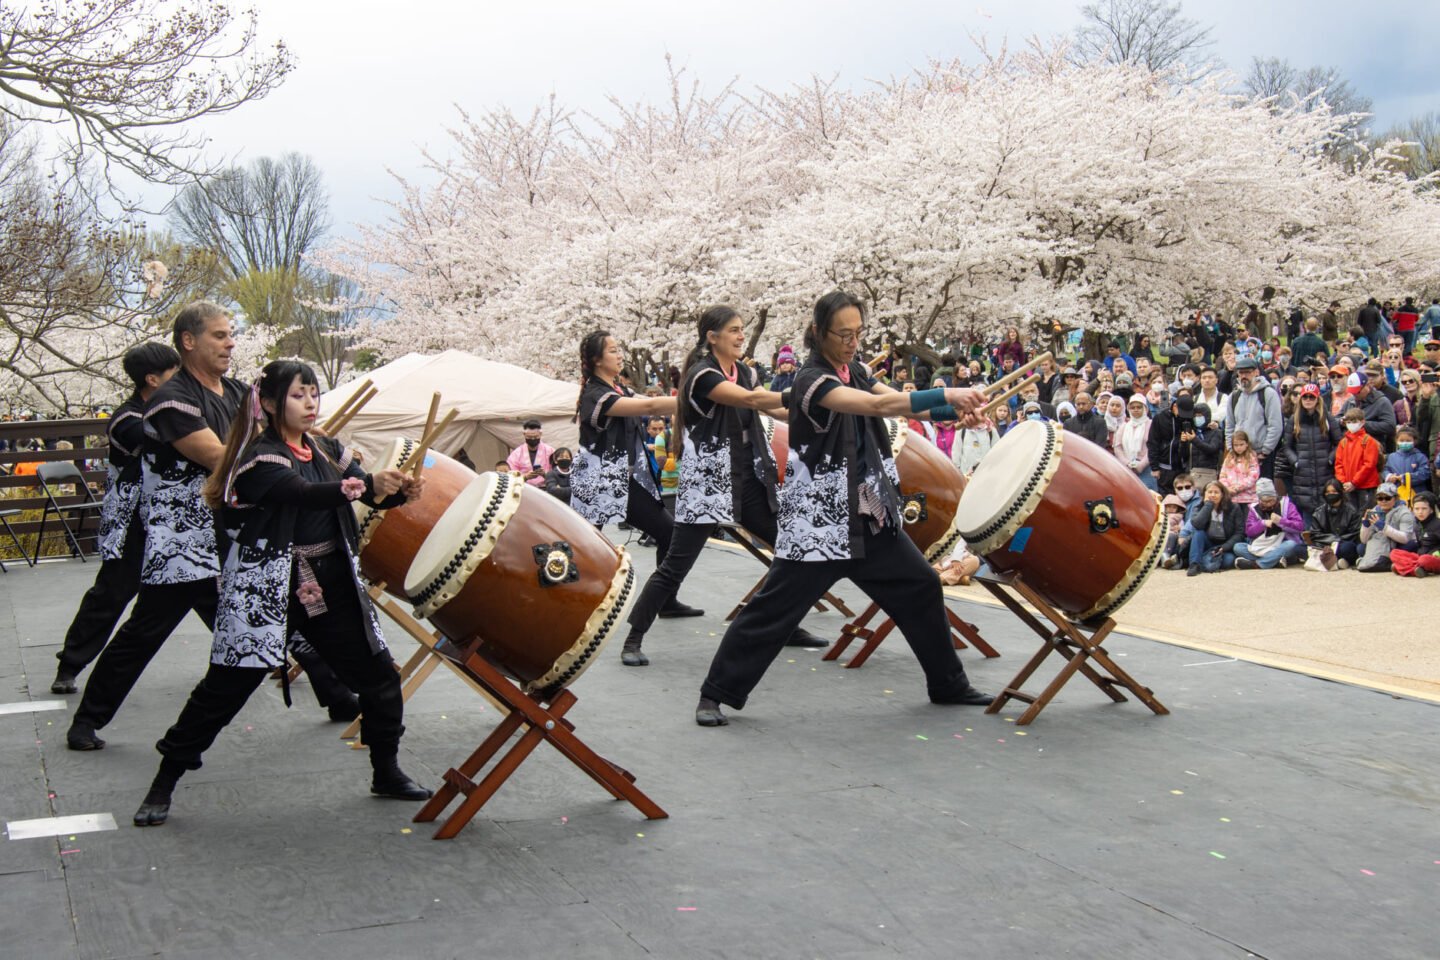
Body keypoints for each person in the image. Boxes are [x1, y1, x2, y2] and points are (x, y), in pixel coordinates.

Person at [131, 360, 430, 828]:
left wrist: (396, 491)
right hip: (268, 585)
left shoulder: (326, 448)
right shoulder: (259, 458)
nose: (310, 403)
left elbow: (367, 495)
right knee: (225, 689)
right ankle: (163, 782)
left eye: (313, 393)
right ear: (268, 404)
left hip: (330, 582)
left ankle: (386, 772)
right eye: (297, 394)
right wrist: (365, 486)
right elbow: (304, 494)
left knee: (379, 677)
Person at [694, 291, 993, 726]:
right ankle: (715, 693)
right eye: (843, 334)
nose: (853, 342)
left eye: (858, 333)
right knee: (772, 610)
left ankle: (948, 683)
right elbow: (876, 406)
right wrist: (949, 390)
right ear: (818, 333)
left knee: (922, 585)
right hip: (819, 523)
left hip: (869, 513)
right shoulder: (811, 382)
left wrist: (955, 409)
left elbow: (891, 399)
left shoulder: (856, 369)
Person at [66, 303, 351, 751]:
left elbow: (274, 438)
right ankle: (87, 720)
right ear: (189, 341)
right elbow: (220, 457)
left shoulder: (239, 391)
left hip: (236, 534)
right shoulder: (171, 399)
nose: (231, 342)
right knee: (147, 631)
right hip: (185, 544)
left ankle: (336, 695)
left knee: (276, 611)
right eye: (220, 335)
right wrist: (282, 472)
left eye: (232, 333)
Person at [620, 306, 834, 666]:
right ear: (712, 336)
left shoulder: (745, 370)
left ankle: (783, 625)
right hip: (709, 484)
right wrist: (804, 392)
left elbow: (772, 410)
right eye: (733, 330)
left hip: (749, 478)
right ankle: (634, 637)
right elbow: (750, 399)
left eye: (741, 330)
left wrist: (821, 407)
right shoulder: (702, 376)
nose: (740, 336)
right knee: (676, 565)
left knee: (791, 551)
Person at [51, 343, 182, 695]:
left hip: (176, 518)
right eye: (174, 372)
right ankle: (70, 663)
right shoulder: (127, 419)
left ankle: (261, 657)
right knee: (112, 593)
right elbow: (170, 445)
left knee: (208, 590)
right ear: (152, 379)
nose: (180, 378)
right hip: (133, 520)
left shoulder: (175, 408)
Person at [571, 330, 702, 617]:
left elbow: (647, 399)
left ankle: (665, 601)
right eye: (613, 350)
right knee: (584, 546)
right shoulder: (595, 395)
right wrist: (696, 400)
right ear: (596, 359)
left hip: (623, 480)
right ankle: (568, 604)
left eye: (619, 349)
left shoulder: (619, 389)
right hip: (598, 481)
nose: (620, 355)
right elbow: (650, 405)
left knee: (667, 532)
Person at [1282, 383, 1342, 526]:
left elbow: (1339, 443)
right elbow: (1286, 446)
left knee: (1328, 512)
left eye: (1311, 397)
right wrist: (1296, 462)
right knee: (1308, 517)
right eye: (1305, 397)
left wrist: (1330, 459)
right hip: (1303, 474)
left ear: (1317, 399)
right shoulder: (1294, 420)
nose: (1308, 400)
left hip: (1324, 472)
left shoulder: (1327, 418)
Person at [1225, 357, 1282, 481]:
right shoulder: (1234, 396)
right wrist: (1231, 449)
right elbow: (1229, 426)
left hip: (1261, 455)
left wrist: (1265, 451)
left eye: (1248, 372)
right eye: (1241, 373)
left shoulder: (1268, 394)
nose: (1244, 376)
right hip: (1239, 454)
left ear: (1256, 372)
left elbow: (1275, 425)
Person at [1233, 479, 1308, 569]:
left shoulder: (1287, 504)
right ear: (1259, 499)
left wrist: (1281, 521)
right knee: (1237, 547)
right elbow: (1249, 532)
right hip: (1261, 545)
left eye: (1271, 500)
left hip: (1282, 543)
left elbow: (1300, 526)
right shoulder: (1253, 508)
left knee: (1291, 545)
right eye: (1265, 501)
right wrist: (1262, 524)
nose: (1268, 504)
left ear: (1275, 496)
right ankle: (1273, 561)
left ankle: (1257, 564)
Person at [1186, 481, 1246, 575]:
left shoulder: (1234, 508)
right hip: (1207, 542)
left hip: (1223, 545)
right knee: (1198, 532)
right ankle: (1194, 564)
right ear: (1205, 494)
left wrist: (1225, 547)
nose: (1213, 495)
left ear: (1222, 494)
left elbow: (1239, 532)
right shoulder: (1199, 506)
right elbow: (1197, 525)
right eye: (1210, 492)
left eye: (1216, 492)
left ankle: (1201, 560)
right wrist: (1208, 506)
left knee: (1228, 561)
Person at [1356, 483, 1415, 572]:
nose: (1383, 501)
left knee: (1410, 545)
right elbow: (1364, 540)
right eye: (1380, 498)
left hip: (1398, 543)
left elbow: (1405, 538)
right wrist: (1365, 526)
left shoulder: (1404, 512)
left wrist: (1384, 528)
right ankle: (1386, 562)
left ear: (1395, 498)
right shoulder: (1374, 511)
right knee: (1360, 547)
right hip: (1381, 544)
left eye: (1387, 498)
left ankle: (1386, 562)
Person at [1334, 407, 1383, 511]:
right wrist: (1344, 482)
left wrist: (1354, 482)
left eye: (1354, 421)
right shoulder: (1343, 442)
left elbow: (1369, 465)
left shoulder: (1368, 441)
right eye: (1349, 422)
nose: (1351, 424)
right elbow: (1338, 464)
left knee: (1365, 514)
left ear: (1362, 422)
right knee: (1351, 515)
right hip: (1348, 486)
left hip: (1367, 486)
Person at [1147, 394, 1196, 494]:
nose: (1184, 415)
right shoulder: (1160, 418)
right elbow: (1153, 443)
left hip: (1182, 467)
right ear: (1174, 407)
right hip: (1165, 467)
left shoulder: (1189, 419)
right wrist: (1154, 467)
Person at [1311, 478, 1363, 569]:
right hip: (1324, 544)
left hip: (1342, 544)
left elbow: (1354, 533)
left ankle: (1331, 559)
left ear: (1340, 492)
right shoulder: (1319, 512)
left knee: (1349, 548)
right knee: (1299, 548)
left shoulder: (1352, 511)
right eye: (1327, 492)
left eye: (1334, 491)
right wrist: (1332, 540)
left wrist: (1337, 541)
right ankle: (1336, 560)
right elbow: (1315, 534)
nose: (1330, 494)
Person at [1389, 492, 1440, 577]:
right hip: (1420, 557)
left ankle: (1404, 568)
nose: (1420, 512)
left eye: (1424, 509)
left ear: (1431, 510)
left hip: (1434, 559)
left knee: (1424, 560)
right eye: (1417, 509)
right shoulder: (1417, 526)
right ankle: (1416, 569)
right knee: (1394, 553)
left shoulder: (1438, 524)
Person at [1158, 474, 1201, 569]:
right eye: (1180, 488)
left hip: (1188, 534)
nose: (1184, 490)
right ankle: (1166, 557)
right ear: (1175, 490)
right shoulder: (1171, 502)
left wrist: (1182, 531)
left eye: (1187, 487)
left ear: (1193, 487)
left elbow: (1194, 521)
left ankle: (1173, 558)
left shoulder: (1199, 502)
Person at [1113, 395, 1154, 489]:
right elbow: (1118, 447)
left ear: (1145, 409)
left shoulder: (1151, 425)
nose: (1135, 410)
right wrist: (1127, 463)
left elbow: (1153, 447)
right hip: (1127, 468)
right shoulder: (1124, 426)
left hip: (1146, 468)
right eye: (1132, 407)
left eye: (1139, 407)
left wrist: (1141, 465)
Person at [505, 418, 554, 488]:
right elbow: (511, 475)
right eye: (530, 437)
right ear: (524, 434)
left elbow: (557, 473)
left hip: (546, 488)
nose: (533, 439)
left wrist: (545, 474)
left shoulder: (550, 451)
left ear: (540, 434)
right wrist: (525, 477)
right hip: (525, 489)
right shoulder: (516, 454)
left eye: (535, 437)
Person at [1384, 426, 1431, 496]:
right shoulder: (1391, 457)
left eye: (1408, 441)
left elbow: (1425, 473)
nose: (1405, 443)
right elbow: (1385, 469)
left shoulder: (1420, 457)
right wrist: (1388, 476)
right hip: (1396, 492)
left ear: (1414, 441)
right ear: (1396, 441)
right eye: (1401, 441)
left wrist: (1405, 478)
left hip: (1417, 492)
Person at [1219, 429, 1260, 506]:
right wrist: (1227, 488)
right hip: (1231, 497)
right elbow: (1222, 475)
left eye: (1241, 445)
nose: (1239, 448)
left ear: (1247, 444)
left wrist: (1238, 488)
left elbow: (1253, 477)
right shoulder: (1229, 458)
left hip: (1248, 498)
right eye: (1236, 445)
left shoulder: (1251, 457)